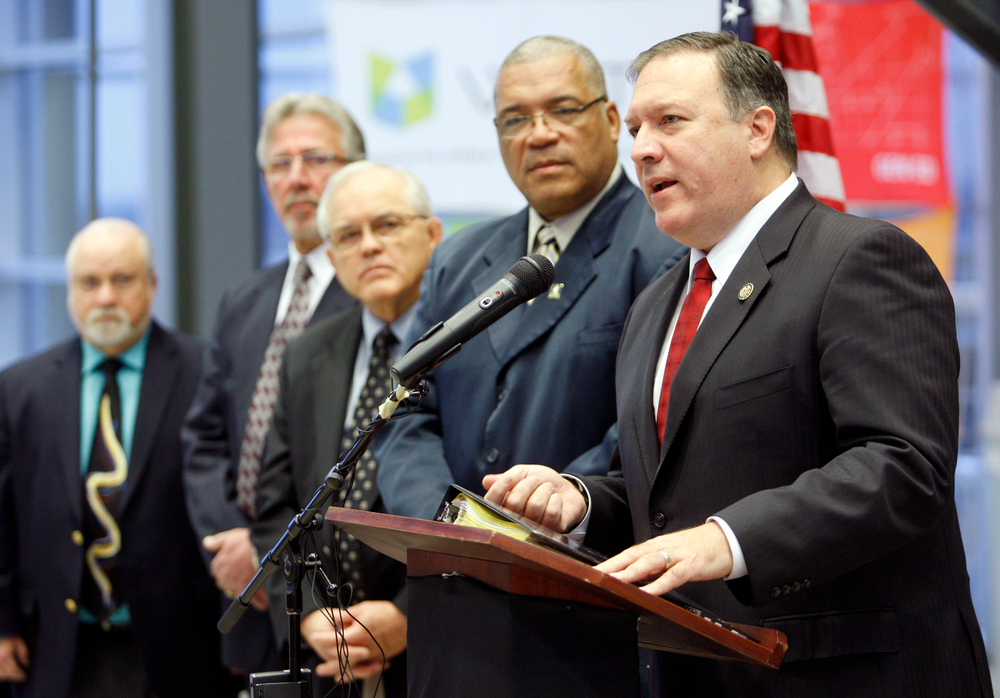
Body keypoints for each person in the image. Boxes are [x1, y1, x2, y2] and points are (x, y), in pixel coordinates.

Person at [483, 32, 992, 698]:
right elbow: (665, 496)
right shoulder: (656, 304)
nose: (640, 148)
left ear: (757, 130)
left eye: (670, 121)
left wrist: (726, 540)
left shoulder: (859, 260)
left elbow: (902, 467)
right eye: (635, 128)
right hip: (695, 673)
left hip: (843, 673)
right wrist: (577, 501)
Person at [376, 35, 686, 522]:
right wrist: (447, 520)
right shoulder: (457, 259)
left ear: (609, 121)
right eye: (516, 119)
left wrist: (548, 505)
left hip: (579, 561)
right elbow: (406, 413)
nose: (539, 135)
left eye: (563, 110)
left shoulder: (666, 249)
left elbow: (654, 423)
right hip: (453, 568)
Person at [0, 219, 232, 697]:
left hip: (181, 646)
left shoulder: (205, 373)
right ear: (70, 292)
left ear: (152, 284)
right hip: (54, 646)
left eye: (122, 280)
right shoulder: (21, 388)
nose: (105, 297)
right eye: (90, 282)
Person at [182, 93, 363, 675]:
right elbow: (204, 436)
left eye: (316, 158)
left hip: (334, 596)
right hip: (238, 585)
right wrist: (232, 539)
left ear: (353, 171)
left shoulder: (374, 296)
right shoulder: (245, 298)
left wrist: (270, 549)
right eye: (280, 165)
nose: (298, 178)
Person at [252, 161, 442, 697]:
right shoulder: (307, 354)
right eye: (349, 236)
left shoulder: (468, 347)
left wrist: (411, 615)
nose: (369, 247)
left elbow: (482, 504)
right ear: (332, 258)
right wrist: (310, 616)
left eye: (387, 226)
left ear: (432, 235)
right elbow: (276, 507)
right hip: (328, 661)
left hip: (437, 649)